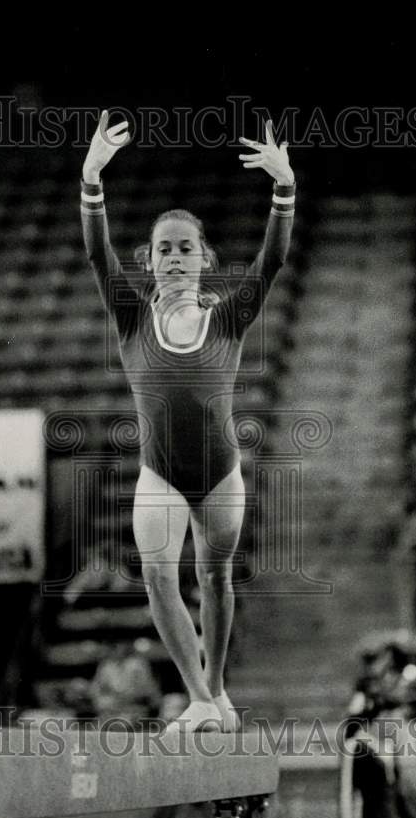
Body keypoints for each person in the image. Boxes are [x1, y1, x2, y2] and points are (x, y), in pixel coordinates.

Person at [80, 109, 295, 732]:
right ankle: (200, 696)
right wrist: (92, 179)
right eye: (164, 249)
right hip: (161, 476)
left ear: (205, 260)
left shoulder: (226, 319)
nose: (174, 258)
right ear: (148, 261)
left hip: (222, 477)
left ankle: (218, 689)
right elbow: (98, 253)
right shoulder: (130, 316)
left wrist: (284, 189)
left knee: (215, 579)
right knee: (156, 573)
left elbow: (273, 261)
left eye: (186, 249)